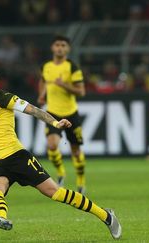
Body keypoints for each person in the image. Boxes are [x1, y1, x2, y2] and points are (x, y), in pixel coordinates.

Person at [0, 57, 121, 239]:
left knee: (55, 193)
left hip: (17, 157)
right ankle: (1, 218)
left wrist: (55, 123)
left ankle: (105, 215)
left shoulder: (3, 98)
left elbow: (34, 110)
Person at [37, 35, 87, 193]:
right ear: (52, 47)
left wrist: (63, 85)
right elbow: (43, 81)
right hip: (52, 113)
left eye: (63, 45)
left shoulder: (72, 67)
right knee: (52, 146)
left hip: (71, 113)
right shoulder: (46, 66)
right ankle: (60, 173)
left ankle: (80, 182)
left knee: (76, 151)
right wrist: (41, 94)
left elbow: (81, 91)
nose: (60, 48)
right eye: (57, 44)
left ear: (68, 49)